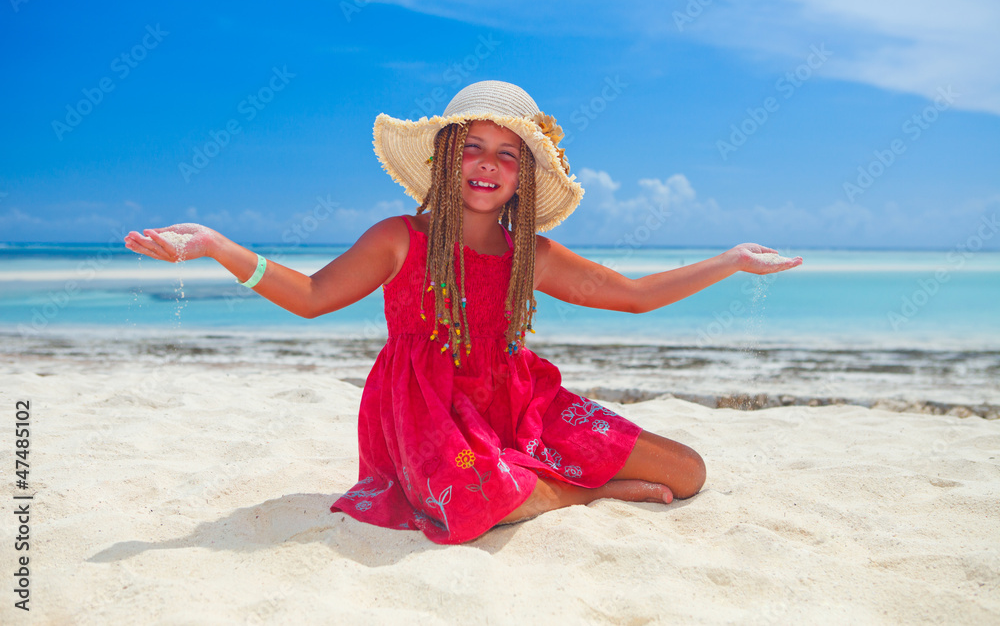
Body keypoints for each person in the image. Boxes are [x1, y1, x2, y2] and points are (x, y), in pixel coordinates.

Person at [125, 80, 802, 544]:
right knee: (481, 503)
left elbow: (631, 294)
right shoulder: (399, 238)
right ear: (446, 158)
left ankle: (553, 479)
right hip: (426, 409)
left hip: (516, 400)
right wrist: (216, 246)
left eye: (507, 154)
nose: (488, 164)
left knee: (687, 471)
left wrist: (730, 259)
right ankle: (588, 493)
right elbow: (309, 297)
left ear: (522, 177)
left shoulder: (530, 252)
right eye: (473, 147)